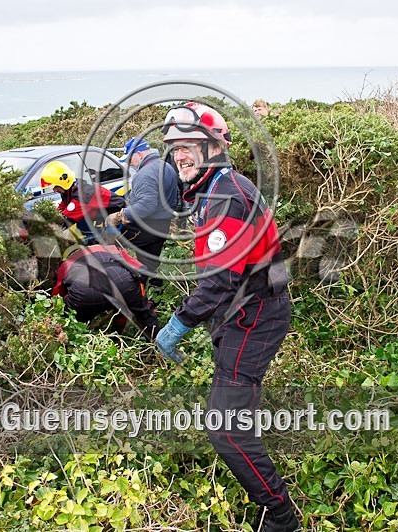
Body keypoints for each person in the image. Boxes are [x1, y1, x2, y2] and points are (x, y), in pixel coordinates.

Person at [154, 102, 300, 531]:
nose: (180, 154)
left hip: (255, 314)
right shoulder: (212, 189)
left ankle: (280, 515)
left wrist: (178, 323)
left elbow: (219, 280)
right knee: (232, 409)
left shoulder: (227, 197)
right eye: (175, 147)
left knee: (226, 430)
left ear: (214, 147)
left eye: (189, 145)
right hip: (240, 311)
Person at [105, 137, 179, 285]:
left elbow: (146, 206)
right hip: (162, 225)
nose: (129, 163)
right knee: (150, 262)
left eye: (130, 158)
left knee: (110, 244)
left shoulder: (145, 174)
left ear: (139, 154)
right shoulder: (166, 166)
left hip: (147, 226)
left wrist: (121, 215)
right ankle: (153, 290)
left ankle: (113, 279)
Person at [52, 244, 158, 339]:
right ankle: (159, 347)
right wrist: (141, 298)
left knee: (72, 319)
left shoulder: (65, 265)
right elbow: (141, 269)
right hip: (123, 282)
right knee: (145, 316)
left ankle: (77, 341)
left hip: (85, 294)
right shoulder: (110, 248)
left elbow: (57, 297)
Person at [40, 160, 125, 238]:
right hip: (100, 216)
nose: (54, 190)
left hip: (116, 214)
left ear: (63, 182)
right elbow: (62, 208)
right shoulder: (69, 188)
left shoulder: (82, 196)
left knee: (106, 245)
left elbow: (66, 221)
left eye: (55, 186)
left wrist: (45, 233)